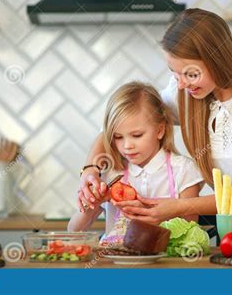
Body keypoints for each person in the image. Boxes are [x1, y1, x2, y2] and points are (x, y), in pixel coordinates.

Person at [77, 8, 232, 238]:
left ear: (217, 59)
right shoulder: (186, 90)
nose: (181, 84)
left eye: (191, 74)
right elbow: (120, 124)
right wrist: (90, 170)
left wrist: (179, 206)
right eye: (175, 73)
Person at [68, 82, 203, 245]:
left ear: (160, 130)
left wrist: (147, 215)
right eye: (118, 137)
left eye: (137, 135)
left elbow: (190, 231)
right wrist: (91, 204)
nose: (127, 145)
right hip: (116, 264)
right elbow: (74, 230)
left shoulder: (183, 170)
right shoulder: (111, 173)